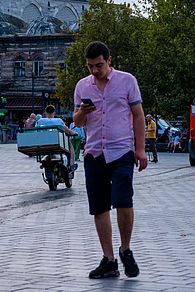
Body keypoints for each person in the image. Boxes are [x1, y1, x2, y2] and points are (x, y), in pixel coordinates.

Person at [73, 41, 147, 279]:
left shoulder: (127, 81)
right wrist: (82, 112)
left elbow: (138, 116)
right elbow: (76, 122)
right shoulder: (82, 86)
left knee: (123, 200)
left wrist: (141, 149)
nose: (95, 71)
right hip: (94, 152)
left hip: (121, 150)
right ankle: (109, 260)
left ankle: (125, 249)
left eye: (99, 65)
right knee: (99, 207)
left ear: (109, 60)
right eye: (90, 66)